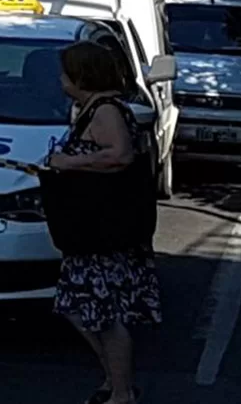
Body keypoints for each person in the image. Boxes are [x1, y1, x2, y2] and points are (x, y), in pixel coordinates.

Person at [47, 41, 162, 404]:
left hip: (104, 231)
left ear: (82, 75)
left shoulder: (106, 111)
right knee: (78, 308)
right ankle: (114, 379)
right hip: (90, 230)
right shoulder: (89, 109)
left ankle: (122, 391)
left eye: (66, 73)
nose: (61, 80)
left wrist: (69, 164)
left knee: (106, 314)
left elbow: (120, 155)